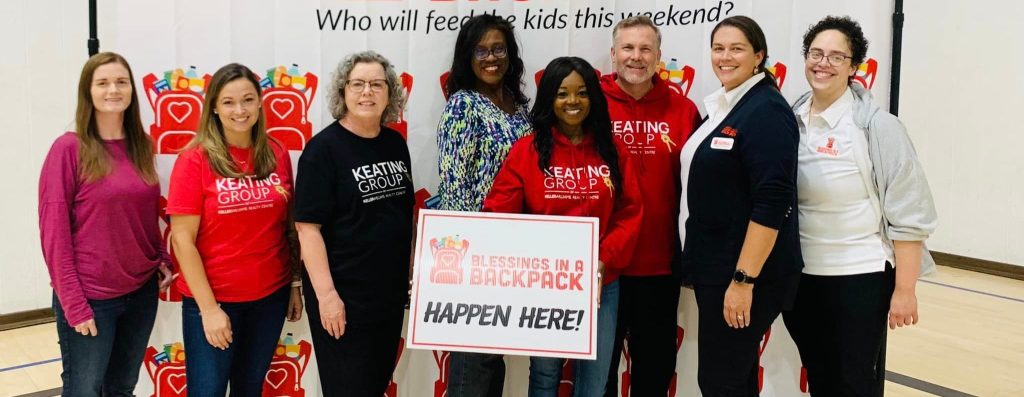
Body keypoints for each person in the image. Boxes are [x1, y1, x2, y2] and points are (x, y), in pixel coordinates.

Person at [783, 16, 938, 396]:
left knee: (853, 383)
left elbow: (910, 216)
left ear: (854, 67)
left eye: (837, 56)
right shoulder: (790, 119)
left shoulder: (878, 127)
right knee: (820, 376)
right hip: (802, 278)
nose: (823, 63)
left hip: (860, 276)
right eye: (816, 53)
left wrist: (905, 290)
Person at [483, 56, 644, 397]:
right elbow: (499, 212)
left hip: (602, 282)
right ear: (549, 99)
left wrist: (603, 261)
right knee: (544, 376)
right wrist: (533, 259)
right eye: (562, 93)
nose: (573, 101)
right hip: (547, 286)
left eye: (582, 93)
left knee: (596, 379)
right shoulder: (527, 151)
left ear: (593, 99)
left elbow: (630, 212)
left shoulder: (612, 152)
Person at [677, 15, 802, 396]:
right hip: (717, 267)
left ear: (758, 55)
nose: (725, 57)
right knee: (734, 379)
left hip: (744, 274)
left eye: (737, 49)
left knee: (720, 382)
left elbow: (772, 199)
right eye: (718, 48)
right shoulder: (729, 104)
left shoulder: (766, 110)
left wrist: (743, 280)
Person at [39, 51, 172, 397]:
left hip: (141, 294)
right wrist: (73, 302)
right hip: (91, 297)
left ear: (131, 90)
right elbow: (54, 233)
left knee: (122, 387)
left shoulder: (141, 145)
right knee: (84, 389)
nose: (113, 89)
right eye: (103, 83)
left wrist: (159, 255)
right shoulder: (68, 149)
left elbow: (142, 212)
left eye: (121, 82)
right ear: (88, 92)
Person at [167, 63, 302, 396]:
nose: (239, 110)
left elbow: (289, 227)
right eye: (228, 102)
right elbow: (182, 240)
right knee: (207, 392)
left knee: (249, 389)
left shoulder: (277, 153)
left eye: (247, 100)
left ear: (259, 103)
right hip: (214, 301)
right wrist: (210, 310)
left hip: (270, 297)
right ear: (213, 106)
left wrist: (295, 283)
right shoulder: (194, 160)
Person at [294, 51, 414, 396]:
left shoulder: (395, 144)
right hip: (343, 298)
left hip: (387, 297)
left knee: (374, 386)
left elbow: (402, 214)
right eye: (358, 84)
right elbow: (308, 229)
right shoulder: (322, 150)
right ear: (343, 91)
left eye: (377, 84)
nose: (367, 92)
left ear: (390, 93)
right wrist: (327, 296)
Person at [599, 15, 702, 396]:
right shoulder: (590, 106)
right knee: (598, 374)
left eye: (646, 49)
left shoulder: (683, 110)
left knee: (655, 372)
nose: (636, 57)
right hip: (604, 265)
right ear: (613, 54)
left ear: (659, 57)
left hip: (660, 264)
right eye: (628, 48)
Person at [437, 14, 532, 397]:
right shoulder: (463, 105)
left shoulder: (517, 104)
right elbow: (455, 187)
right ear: (467, 56)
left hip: (514, 252)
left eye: (498, 49)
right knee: (472, 365)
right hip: (477, 256)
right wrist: (469, 262)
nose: (490, 57)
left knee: (493, 359)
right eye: (481, 50)